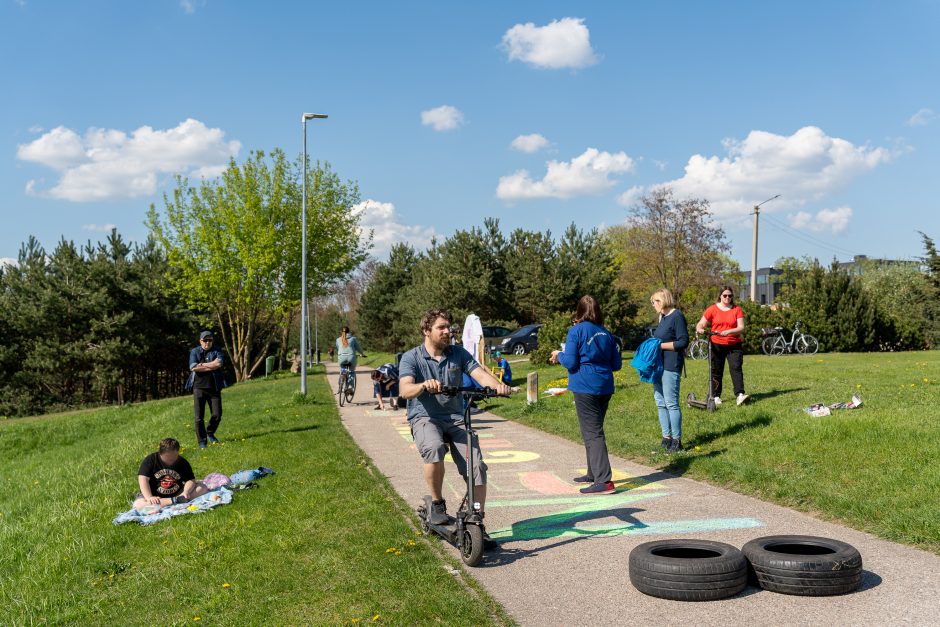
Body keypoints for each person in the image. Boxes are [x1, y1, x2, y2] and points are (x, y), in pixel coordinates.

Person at [398, 309, 511, 530]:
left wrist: (498, 386)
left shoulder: (458, 354)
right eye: (441, 327)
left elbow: (479, 374)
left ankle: (476, 515)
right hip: (425, 417)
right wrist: (423, 385)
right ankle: (437, 503)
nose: (447, 331)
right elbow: (404, 389)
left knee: (476, 465)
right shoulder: (411, 357)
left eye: (448, 327)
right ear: (426, 331)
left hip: (456, 418)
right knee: (434, 447)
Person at [550, 295, 623, 495]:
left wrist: (559, 355)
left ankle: (604, 481)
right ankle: (593, 473)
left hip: (585, 385)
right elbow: (617, 364)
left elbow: (571, 362)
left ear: (579, 312)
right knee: (592, 430)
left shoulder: (576, 331)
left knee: (593, 432)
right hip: (605, 385)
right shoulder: (606, 333)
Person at [695, 285, 749, 406]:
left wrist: (729, 331)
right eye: (725, 295)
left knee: (736, 368)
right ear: (720, 296)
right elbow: (701, 323)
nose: (727, 298)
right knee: (716, 370)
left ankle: (740, 395)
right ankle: (715, 396)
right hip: (716, 344)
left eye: (730, 296)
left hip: (734, 344)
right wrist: (700, 328)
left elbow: (741, 327)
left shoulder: (737, 309)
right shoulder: (712, 309)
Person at [650, 289, 689, 453]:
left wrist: (660, 346)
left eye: (655, 301)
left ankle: (677, 440)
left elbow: (683, 342)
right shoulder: (663, 318)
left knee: (671, 403)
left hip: (671, 365)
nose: (654, 305)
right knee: (660, 402)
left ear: (663, 300)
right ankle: (666, 437)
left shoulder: (676, 316)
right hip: (658, 365)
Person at [133, 438, 208, 510]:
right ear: (160, 453)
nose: (170, 462)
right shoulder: (151, 460)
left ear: (178, 452)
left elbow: (190, 480)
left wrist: (186, 492)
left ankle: (174, 500)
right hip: (155, 496)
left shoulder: (182, 462)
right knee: (138, 505)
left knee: (202, 487)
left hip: (178, 493)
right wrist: (149, 497)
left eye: (173, 458)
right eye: (167, 458)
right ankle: (174, 501)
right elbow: (143, 479)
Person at [186, 330, 226, 449]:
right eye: (205, 340)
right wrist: (211, 365)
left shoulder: (217, 350)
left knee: (217, 414)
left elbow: (219, 364)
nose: (207, 342)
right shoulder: (195, 351)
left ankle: (210, 433)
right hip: (199, 388)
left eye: (210, 340)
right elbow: (193, 367)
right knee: (199, 417)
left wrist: (202, 365)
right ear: (200, 341)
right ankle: (202, 442)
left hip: (214, 387)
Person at [335, 326, 366, 391]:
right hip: (351, 357)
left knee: (343, 369)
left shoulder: (338, 339)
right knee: (351, 371)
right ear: (349, 332)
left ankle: (341, 382)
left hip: (341, 357)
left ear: (342, 332)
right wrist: (362, 354)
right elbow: (358, 348)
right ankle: (350, 387)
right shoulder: (353, 339)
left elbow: (338, 348)